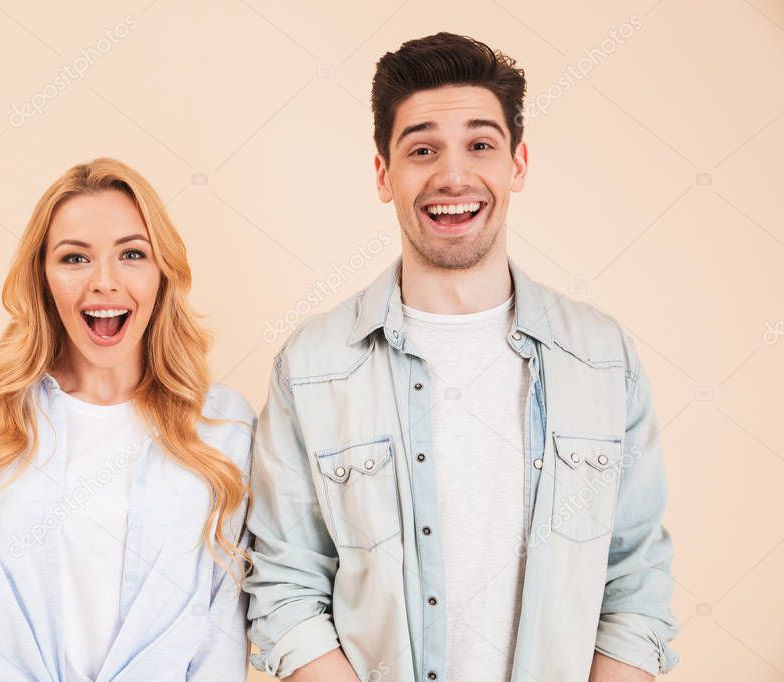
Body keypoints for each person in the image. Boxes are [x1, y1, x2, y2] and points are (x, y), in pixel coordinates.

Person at [244, 32, 679, 682]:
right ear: (382, 175)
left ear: (517, 164)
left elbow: (634, 579)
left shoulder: (600, 357)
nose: (451, 175)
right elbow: (284, 587)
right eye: (421, 149)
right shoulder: (312, 364)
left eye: (480, 145)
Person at [0, 157, 255, 681]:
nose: (104, 282)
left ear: (162, 272)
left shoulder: (224, 426)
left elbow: (221, 635)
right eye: (75, 258)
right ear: (43, 276)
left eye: (132, 254)